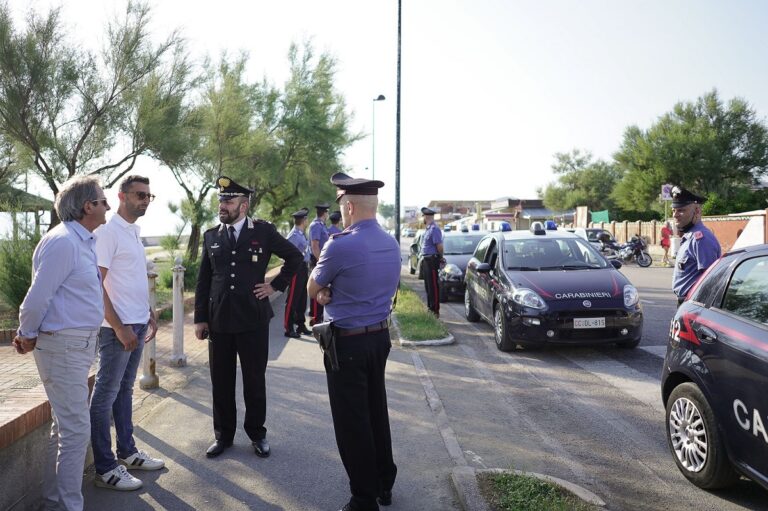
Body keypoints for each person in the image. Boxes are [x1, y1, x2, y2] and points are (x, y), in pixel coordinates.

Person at [13, 175, 109, 511]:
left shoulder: (83, 241)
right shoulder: (64, 242)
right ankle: (69, 507)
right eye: (102, 200)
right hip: (63, 346)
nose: (107, 205)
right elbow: (37, 298)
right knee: (76, 431)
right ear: (87, 207)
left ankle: (55, 502)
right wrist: (26, 333)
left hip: (78, 345)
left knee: (65, 426)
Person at [308, 172, 400, 511]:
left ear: (348, 207)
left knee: (352, 421)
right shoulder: (390, 242)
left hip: (347, 344)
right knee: (376, 411)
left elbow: (312, 288)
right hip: (379, 338)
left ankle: (364, 497)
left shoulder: (339, 245)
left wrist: (324, 294)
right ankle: (384, 483)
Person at [194, 176, 302, 458]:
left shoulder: (263, 232)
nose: (222, 206)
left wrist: (275, 286)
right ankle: (223, 436)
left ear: (243, 206)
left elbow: (295, 258)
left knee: (254, 380)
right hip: (219, 322)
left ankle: (257, 433)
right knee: (221, 381)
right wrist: (200, 319)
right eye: (220, 200)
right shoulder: (211, 235)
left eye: (228, 201)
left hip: (252, 319)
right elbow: (204, 281)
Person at [90, 175, 163, 491]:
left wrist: (147, 313)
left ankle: (128, 452)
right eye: (139, 195)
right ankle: (105, 468)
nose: (145, 200)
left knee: (124, 391)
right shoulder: (108, 233)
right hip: (115, 329)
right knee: (105, 395)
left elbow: (131, 279)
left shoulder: (133, 233)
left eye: (149, 195)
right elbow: (97, 283)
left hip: (136, 323)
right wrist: (119, 327)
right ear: (121, 196)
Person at [670, 186, 721, 305]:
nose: (675, 215)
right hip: (687, 303)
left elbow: (710, 281)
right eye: (673, 210)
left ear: (697, 211)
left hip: (695, 305)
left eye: (681, 210)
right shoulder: (690, 236)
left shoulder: (701, 239)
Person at [284, 207, 312, 338]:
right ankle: (288, 328)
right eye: (307, 219)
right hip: (296, 268)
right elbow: (289, 255)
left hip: (303, 267)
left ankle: (300, 325)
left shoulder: (301, 234)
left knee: (301, 299)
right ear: (304, 220)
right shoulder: (294, 235)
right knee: (292, 299)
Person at [419, 206, 444, 317]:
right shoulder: (428, 229)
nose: (422, 219)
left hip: (432, 260)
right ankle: (430, 308)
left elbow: (439, 247)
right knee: (428, 286)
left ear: (426, 216)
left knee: (433, 286)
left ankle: (435, 311)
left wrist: (441, 257)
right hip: (426, 260)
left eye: (423, 216)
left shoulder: (434, 229)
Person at [309, 202, 330, 325]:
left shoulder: (322, 225)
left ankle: (319, 317)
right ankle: (316, 319)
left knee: (321, 288)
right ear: (325, 213)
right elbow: (315, 245)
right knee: (317, 288)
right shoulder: (316, 225)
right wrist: (320, 261)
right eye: (327, 212)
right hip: (318, 260)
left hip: (322, 260)